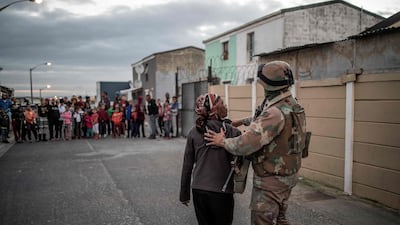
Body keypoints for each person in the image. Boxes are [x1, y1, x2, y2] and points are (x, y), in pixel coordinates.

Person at [204, 61, 308, 225]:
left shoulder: (275, 112)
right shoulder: (291, 103)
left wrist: (222, 141)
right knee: (280, 219)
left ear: (269, 84)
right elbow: (266, 121)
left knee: (263, 221)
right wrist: (242, 121)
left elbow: (244, 145)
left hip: (271, 181)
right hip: (288, 175)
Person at [180, 93, 241, 225]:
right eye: (222, 103)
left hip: (198, 190)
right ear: (215, 109)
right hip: (222, 191)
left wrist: (184, 194)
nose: (225, 106)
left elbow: (187, 166)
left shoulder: (193, 132)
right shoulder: (232, 132)